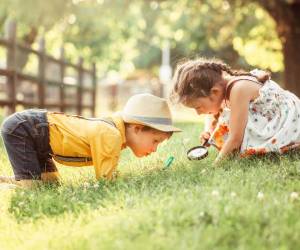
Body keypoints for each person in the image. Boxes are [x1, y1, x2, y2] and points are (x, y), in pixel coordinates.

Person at [0, 93, 181, 188]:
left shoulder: (116, 133)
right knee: (31, 191)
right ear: (137, 128)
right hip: (26, 129)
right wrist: (144, 177)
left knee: (50, 185)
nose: (155, 149)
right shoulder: (111, 135)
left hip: (40, 136)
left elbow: (109, 172)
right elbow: (105, 181)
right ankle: (13, 186)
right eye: (155, 141)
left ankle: (7, 180)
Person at [171, 57, 300, 163]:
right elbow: (211, 114)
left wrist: (215, 166)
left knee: (230, 125)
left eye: (198, 107)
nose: (198, 113)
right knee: (225, 122)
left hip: (292, 122)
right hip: (280, 118)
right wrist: (208, 131)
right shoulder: (224, 87)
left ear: (214, 92)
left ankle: (291, 145)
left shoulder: (238, 90)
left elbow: (235, 138)